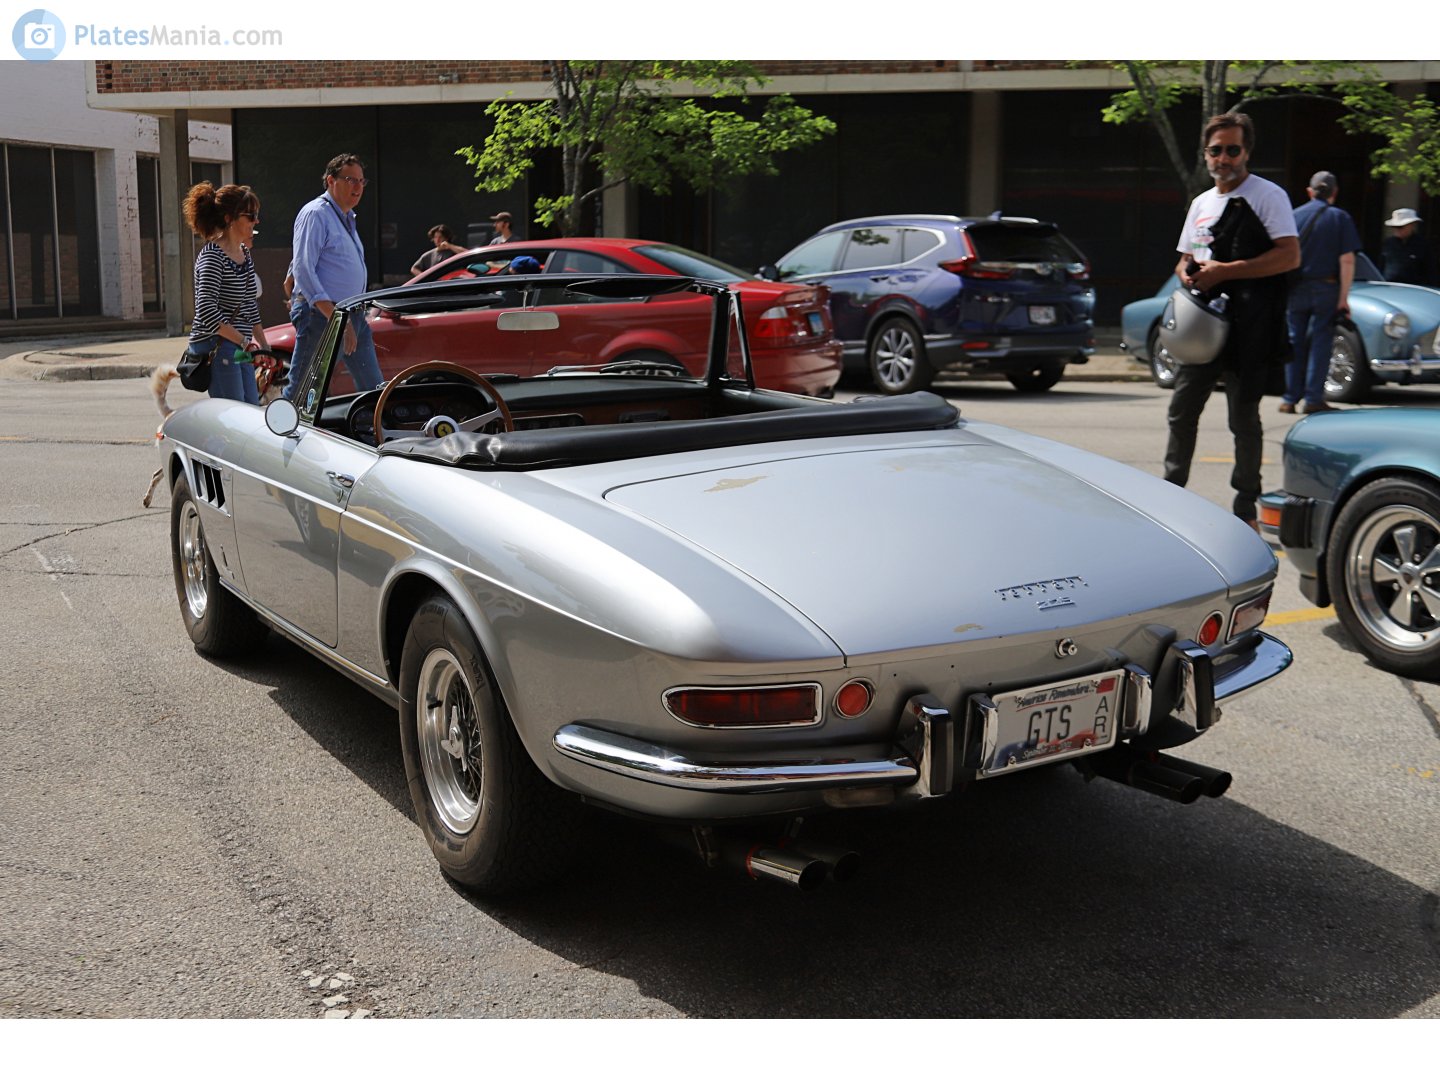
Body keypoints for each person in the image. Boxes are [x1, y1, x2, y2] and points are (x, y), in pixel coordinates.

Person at [1166, 112, 1300, 529]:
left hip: (1250, 327)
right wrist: (1188, 272)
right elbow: (1184, 258)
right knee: (1181, 411)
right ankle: (1168, 498)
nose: (1223, 158)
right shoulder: (1201, 203)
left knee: (1243, 420)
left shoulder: (1268, 195)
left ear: (1247, 152)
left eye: (1232, 150)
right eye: (1215, 150)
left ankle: (1245, 508)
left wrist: (1226, 271)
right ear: (1205, 153)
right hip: (1203, 328)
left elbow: (1289, 255)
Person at [284, 153, 382, 400]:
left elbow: (309, 262)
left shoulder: (345, 217)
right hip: (325, 317)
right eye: (351, 180)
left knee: (373, 389)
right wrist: (336, 318)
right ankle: (278, 426)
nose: (358, 187)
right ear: (331, 181)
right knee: (302, 391)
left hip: (352, 315)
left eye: (361, 181)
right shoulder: (316, 213)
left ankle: (376, 425)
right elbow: (304, 268)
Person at [1281, 171, 1361, 415]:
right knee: (1321, 342)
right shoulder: (1340, 218)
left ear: (1310, 191)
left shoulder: (1293, 216)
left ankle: (1289, 398)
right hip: (1326, 286)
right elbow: (1347, 260)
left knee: (1294, 341)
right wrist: (1343, 298)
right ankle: (1313, 398)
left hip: (1296, 287)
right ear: (1334, 193)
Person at [182, 181, 268, 405]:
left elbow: (249, 304)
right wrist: (244, 342)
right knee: (234, 411)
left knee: (251, 406)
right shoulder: (212, 256)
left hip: (239, 344)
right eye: (251, 216)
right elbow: (206, 311)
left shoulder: (244, 254)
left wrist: (264, 346)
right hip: (218, 344)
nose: (256, 221)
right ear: (230, 218)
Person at [1381, 208, 1438, 286]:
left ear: (1411, 225)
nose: (1397, 230)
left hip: (1414, 288)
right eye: (1394, 227)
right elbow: (1381, 265)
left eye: (1400, 227)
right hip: (1388, 287)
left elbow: (1431, 271)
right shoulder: (1388, 243)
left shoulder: (1422, 245)